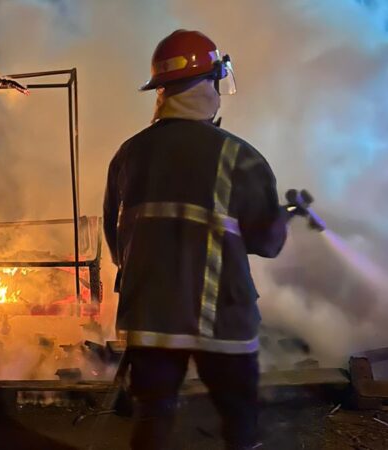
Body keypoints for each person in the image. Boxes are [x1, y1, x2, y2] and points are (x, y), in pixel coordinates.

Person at [103, 29, 290, 450]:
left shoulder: (128, 155)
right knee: (239, 418)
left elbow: (116, 240)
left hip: (150, 319)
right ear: (211, 84)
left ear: (162, 90)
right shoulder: (240, 156)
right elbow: (268, 244)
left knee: (153, 415)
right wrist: (281, 218)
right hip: (222, 319)